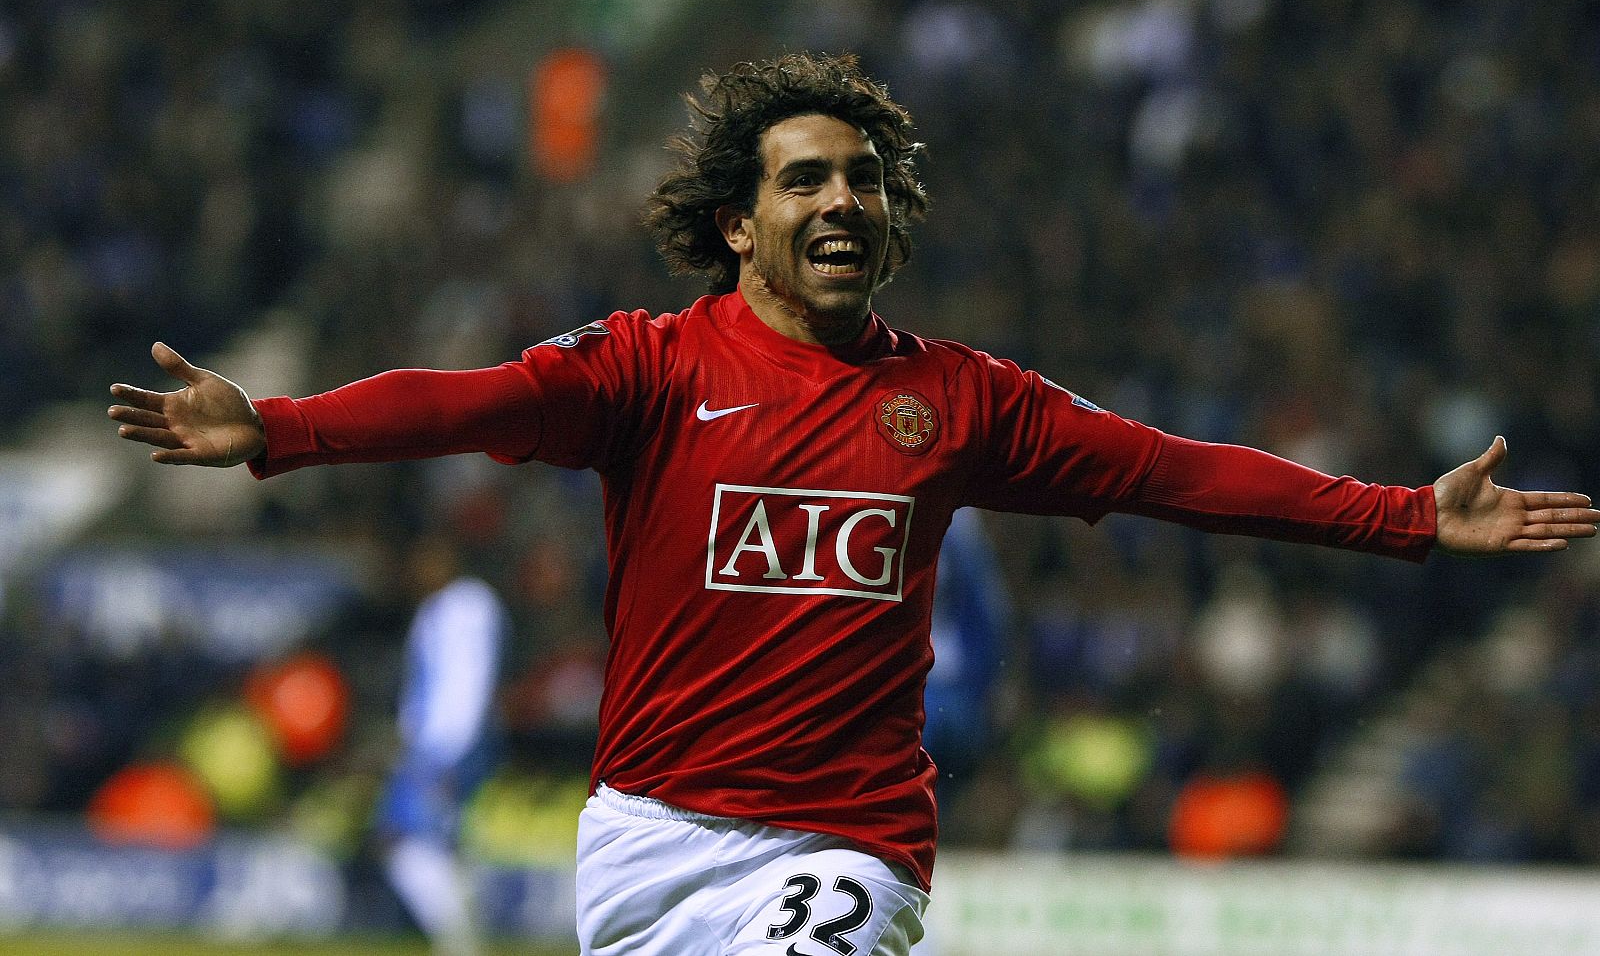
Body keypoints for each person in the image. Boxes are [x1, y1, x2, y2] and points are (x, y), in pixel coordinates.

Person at [107, 53, 1599, 955]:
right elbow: (470, 401)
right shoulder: (651, 368)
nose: (842, 201)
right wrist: (279, 429)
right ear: (735, 222)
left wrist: (1406, 516)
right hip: (643, 842)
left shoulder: (958, 400)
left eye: (865, 181)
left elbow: (1171, 472)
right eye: (807, 179)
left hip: (847, 842)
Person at [375, 533, 506, 956]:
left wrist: (449, 754)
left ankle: (459, 942)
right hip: (431, 750)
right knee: (438, 845)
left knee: (404, 840)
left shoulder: (467, 604)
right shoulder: (436, 609)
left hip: (447, 750)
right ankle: (462, 934)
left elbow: (469, 683)